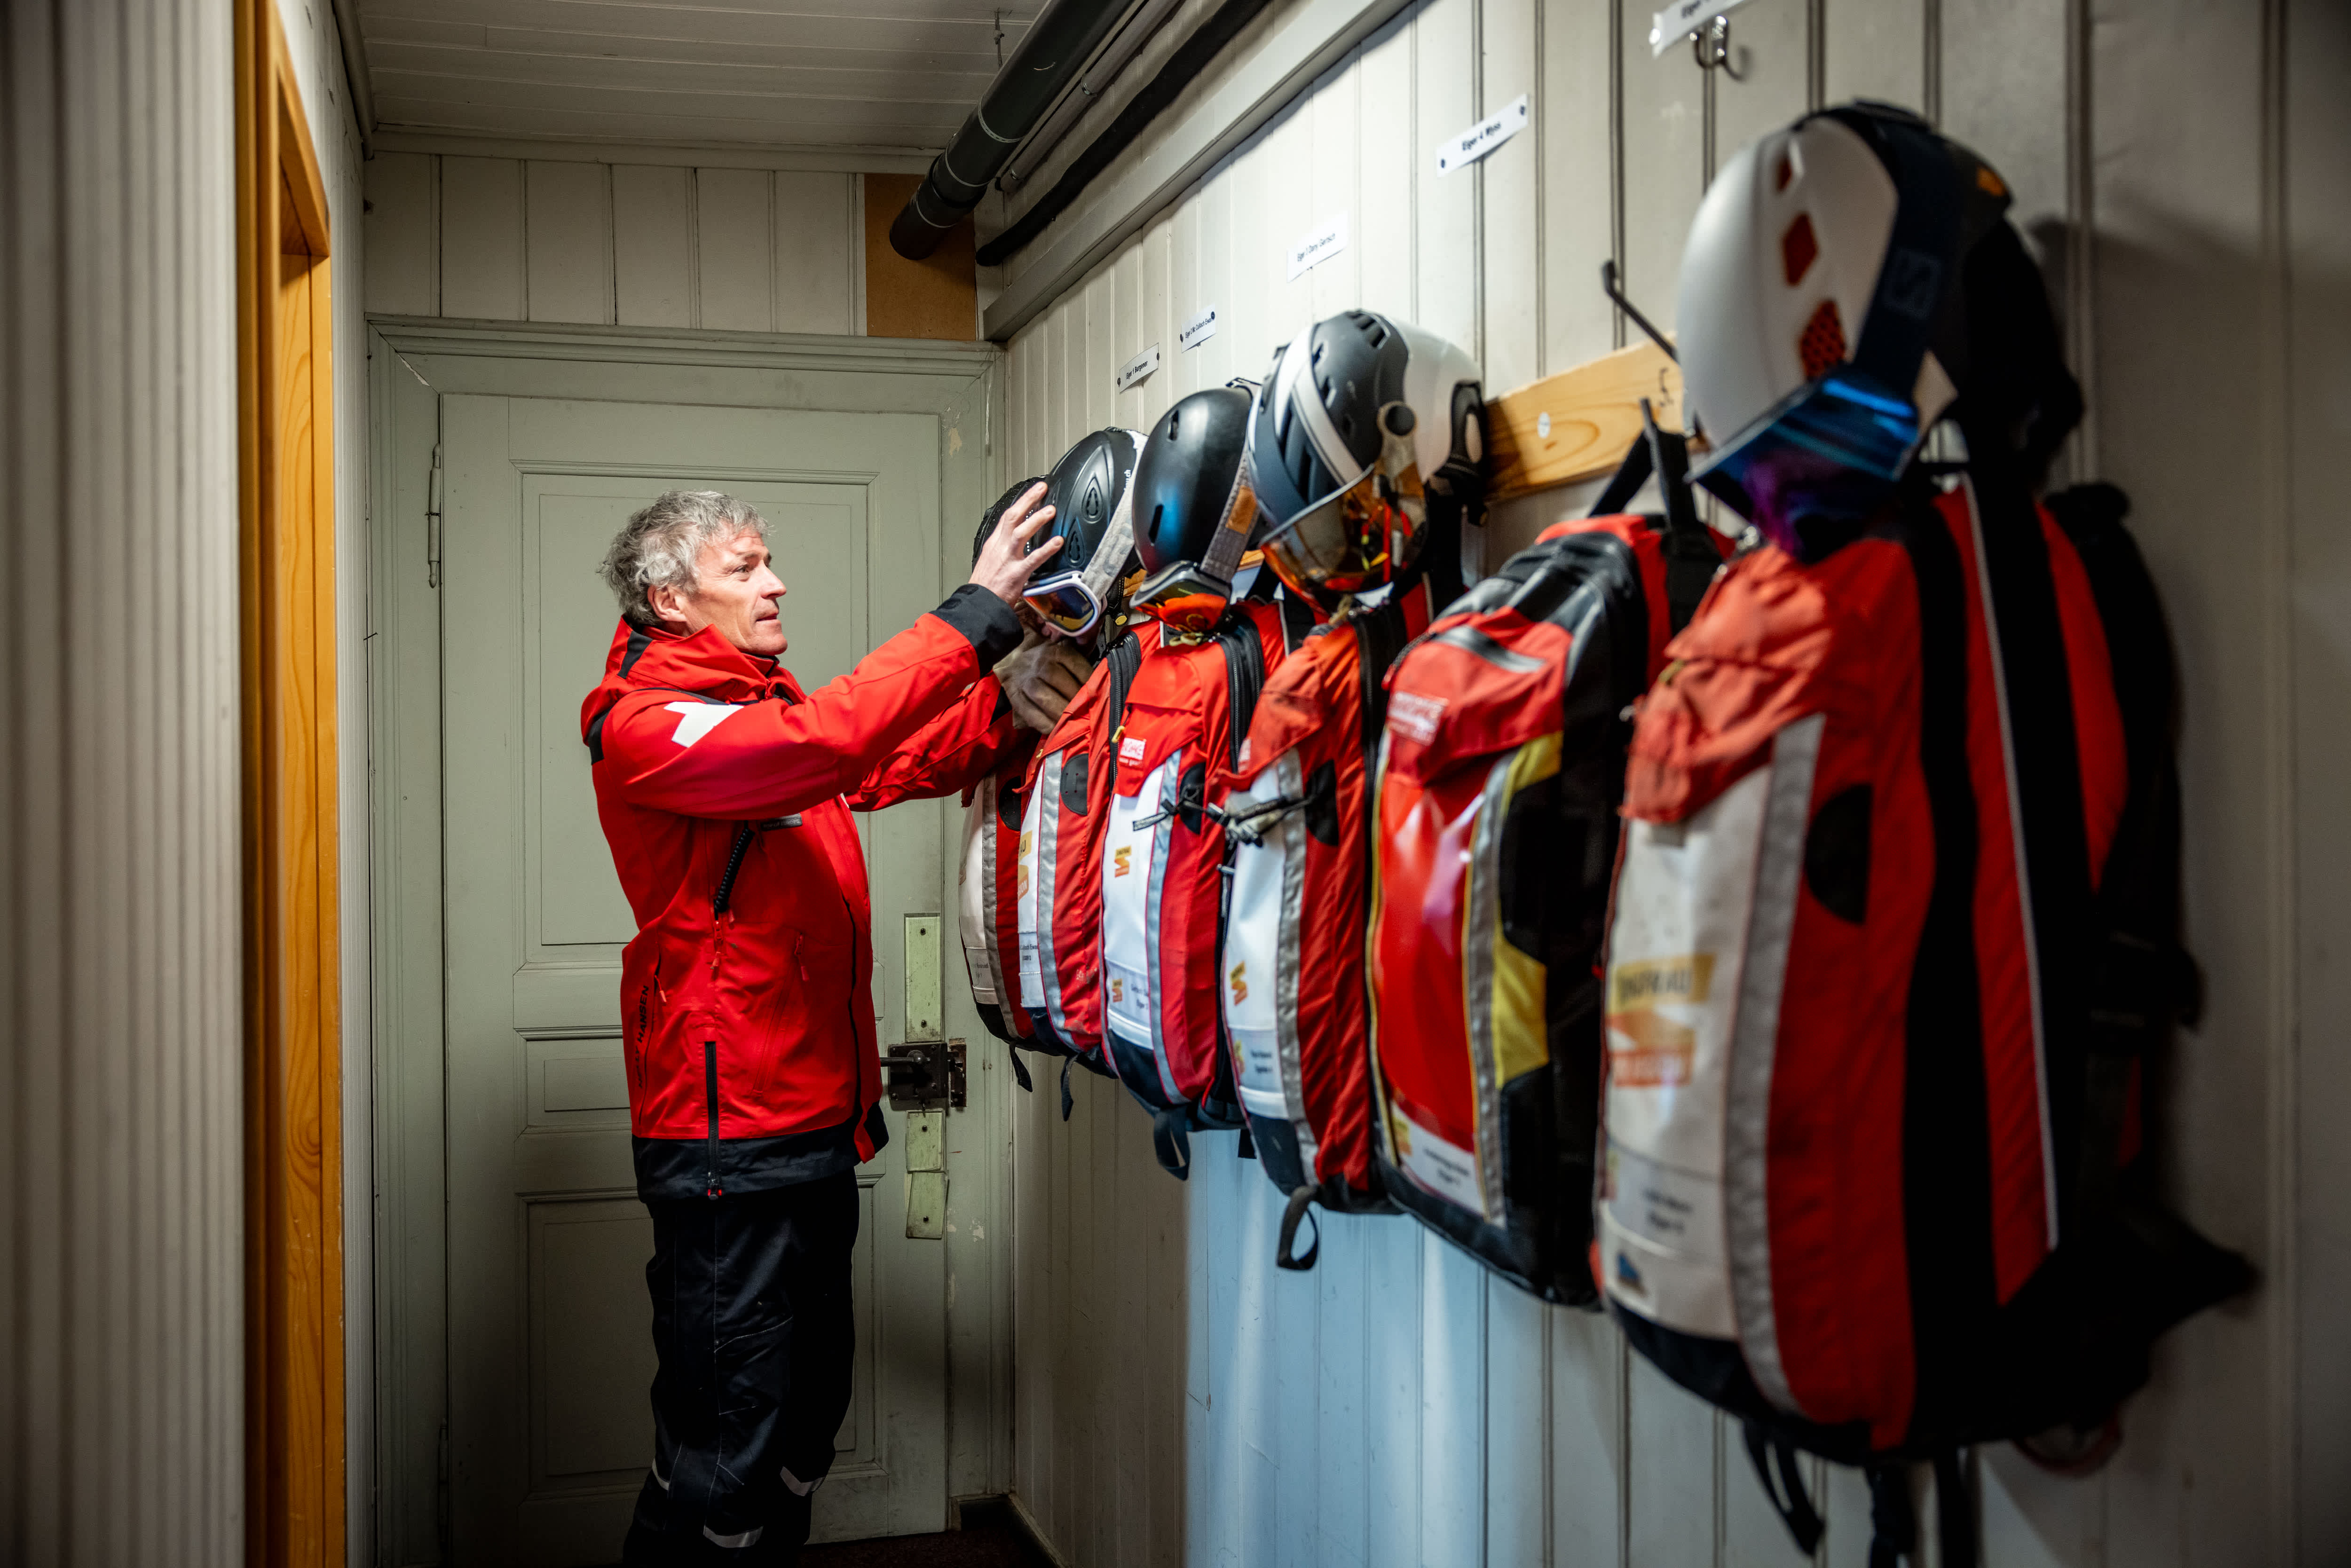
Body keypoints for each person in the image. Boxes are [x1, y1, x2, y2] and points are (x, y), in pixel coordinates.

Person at [583, 485, 1073, 1563]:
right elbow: (830, 739)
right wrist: (978, 616)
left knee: (804, 1422)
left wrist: (1007, 705)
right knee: (725, 1456)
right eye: (746, 567)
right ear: (671, 600)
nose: (776, 584)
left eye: (768, 561)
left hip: (807, 1125)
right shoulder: (644, 724)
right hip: (726, 1142)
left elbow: (877, 760)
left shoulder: (759, 711)